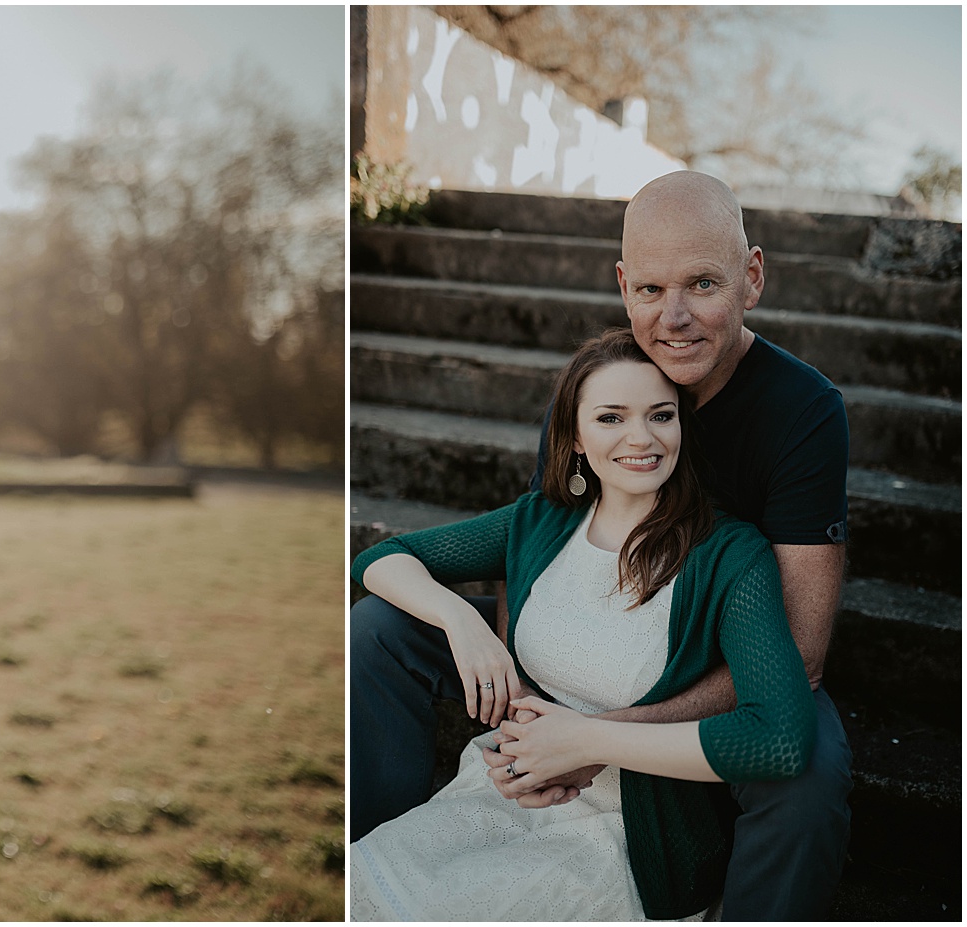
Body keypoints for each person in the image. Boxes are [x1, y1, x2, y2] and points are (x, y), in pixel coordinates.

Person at [348, 171, 852, 918]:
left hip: (724, 663)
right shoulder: (608, 385)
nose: (673, 317)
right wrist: (523, 698)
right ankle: (385, 843)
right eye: (649, 289)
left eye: (703, 284)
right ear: (622, 285)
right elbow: (534, 558)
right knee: (380, 629)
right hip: (580, 640)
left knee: (808, 763)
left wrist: (592, 734)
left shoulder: (801, 413)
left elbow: (801, 658)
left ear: (752, 277)